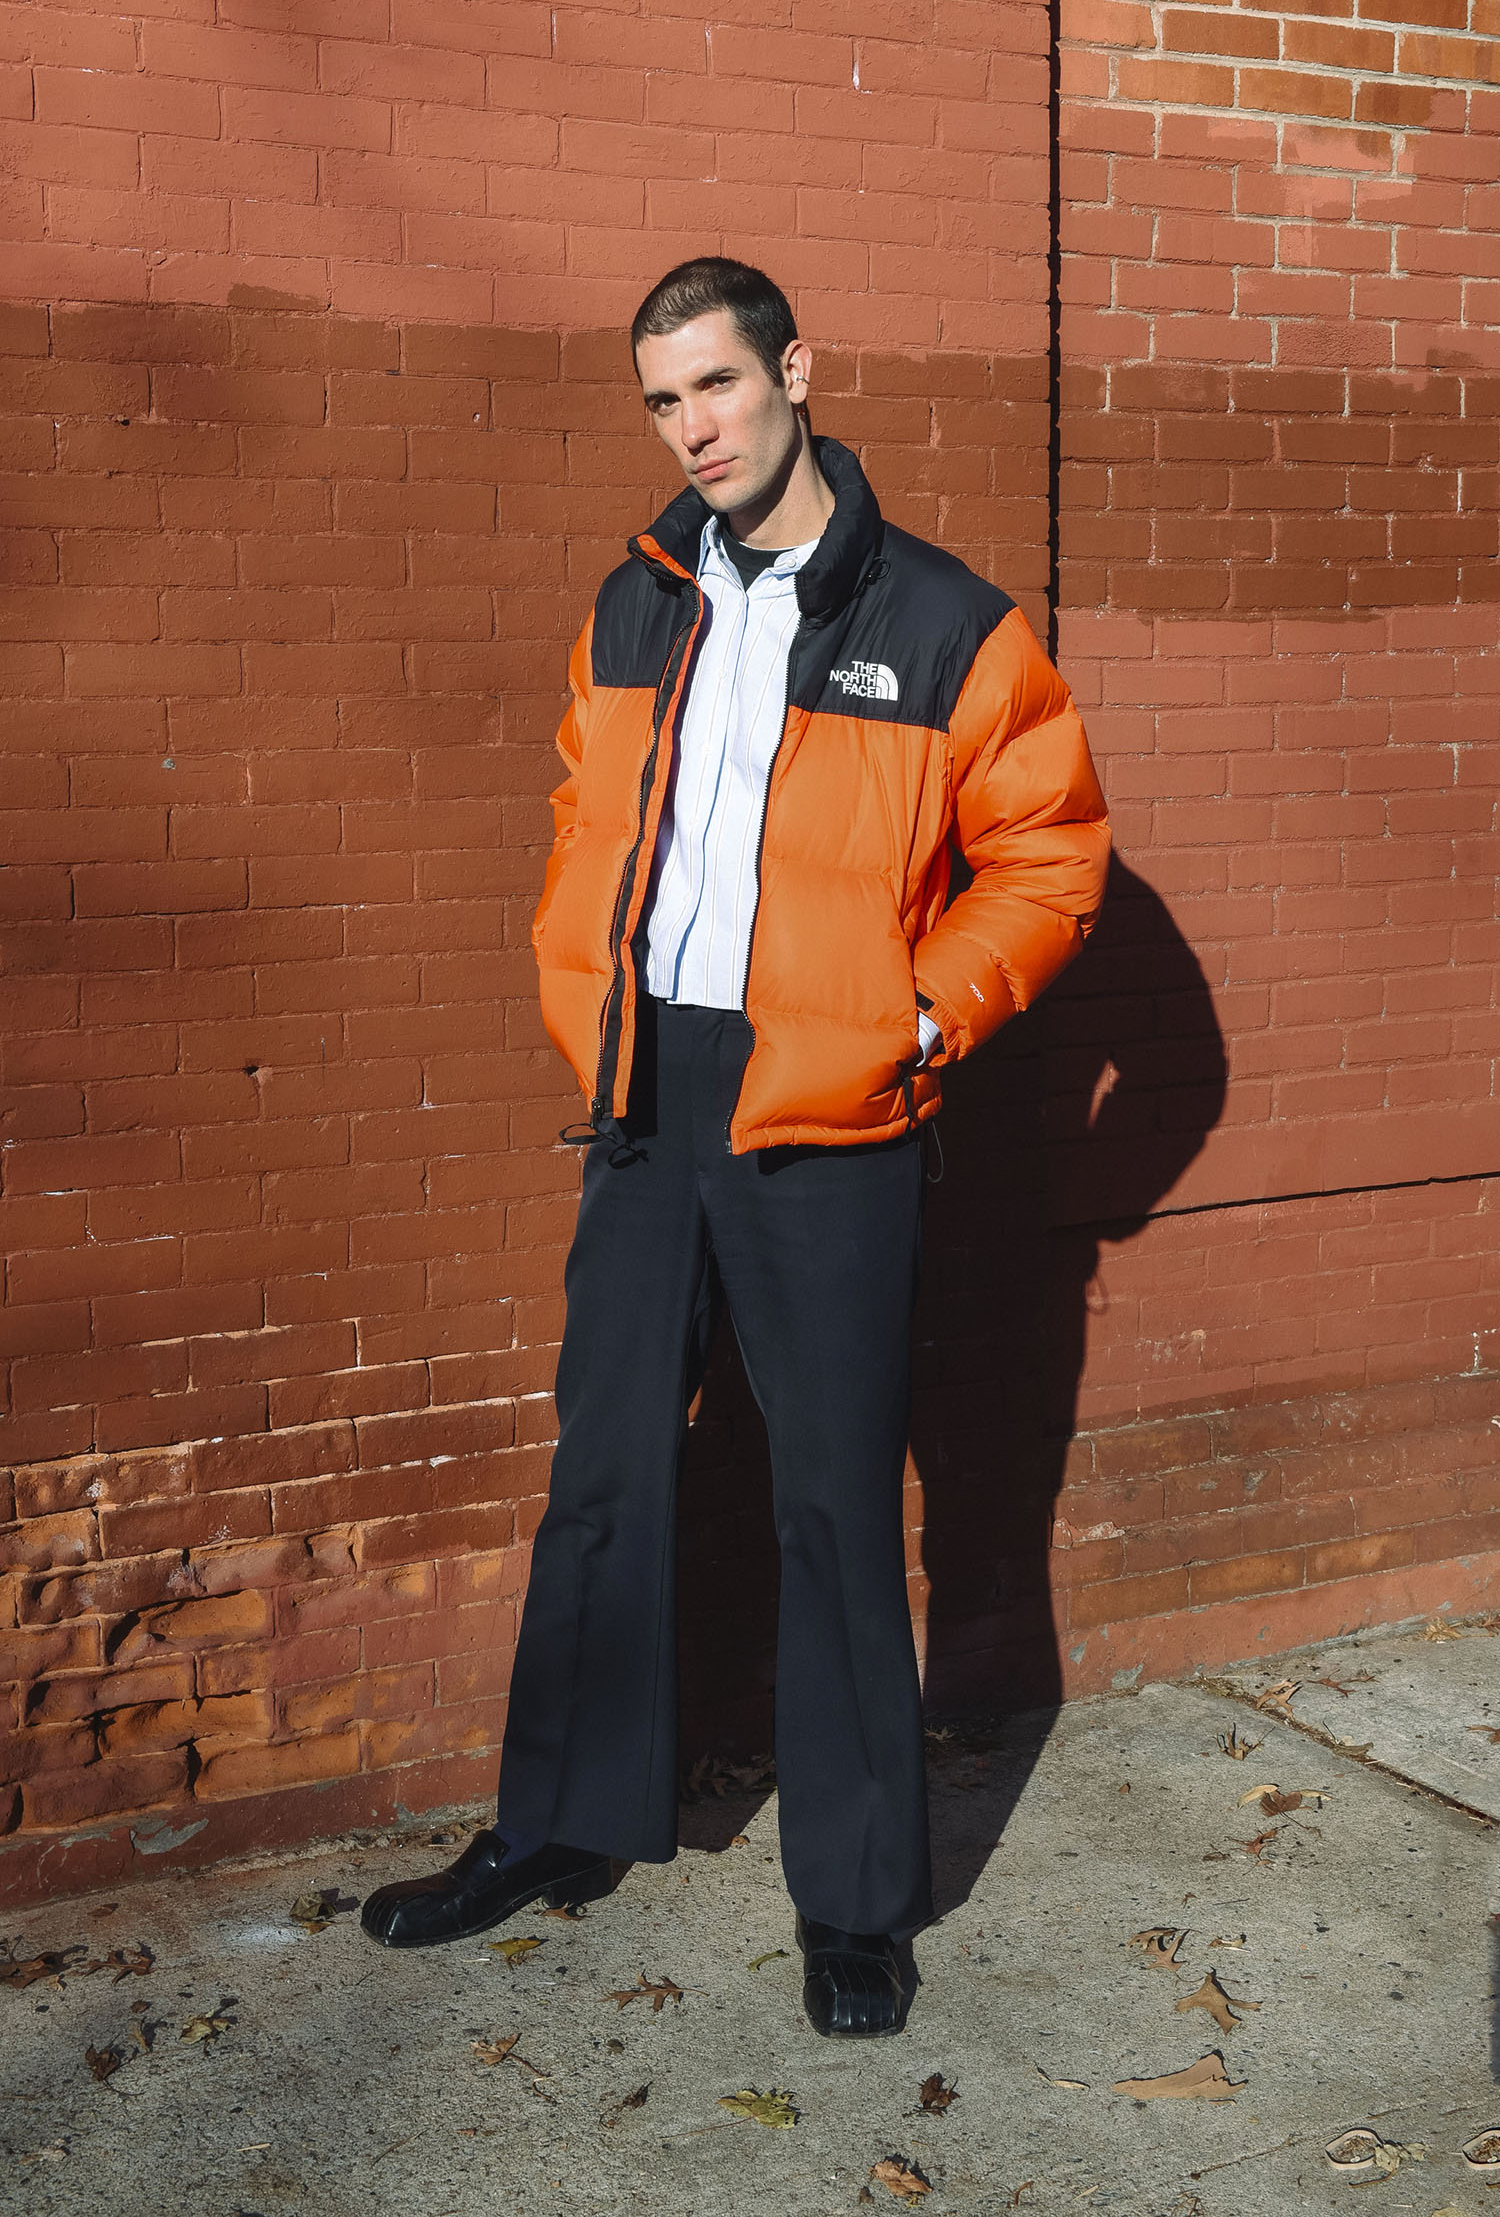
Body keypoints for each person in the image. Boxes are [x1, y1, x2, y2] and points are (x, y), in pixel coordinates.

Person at [362, 257, 1110, 2037]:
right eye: (661, 399)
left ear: (794, 372)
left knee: (834, 1498)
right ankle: (555, 1823)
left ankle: (856, 1903)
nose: (691, 428)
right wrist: (581, 988)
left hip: (830, 1107)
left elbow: (1052, 854)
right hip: (649, 1087)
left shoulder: (947, 620)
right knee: (606, 1471)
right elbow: (586, 804)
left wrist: (914, 1022)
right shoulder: (640, 599)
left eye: (715, 384)